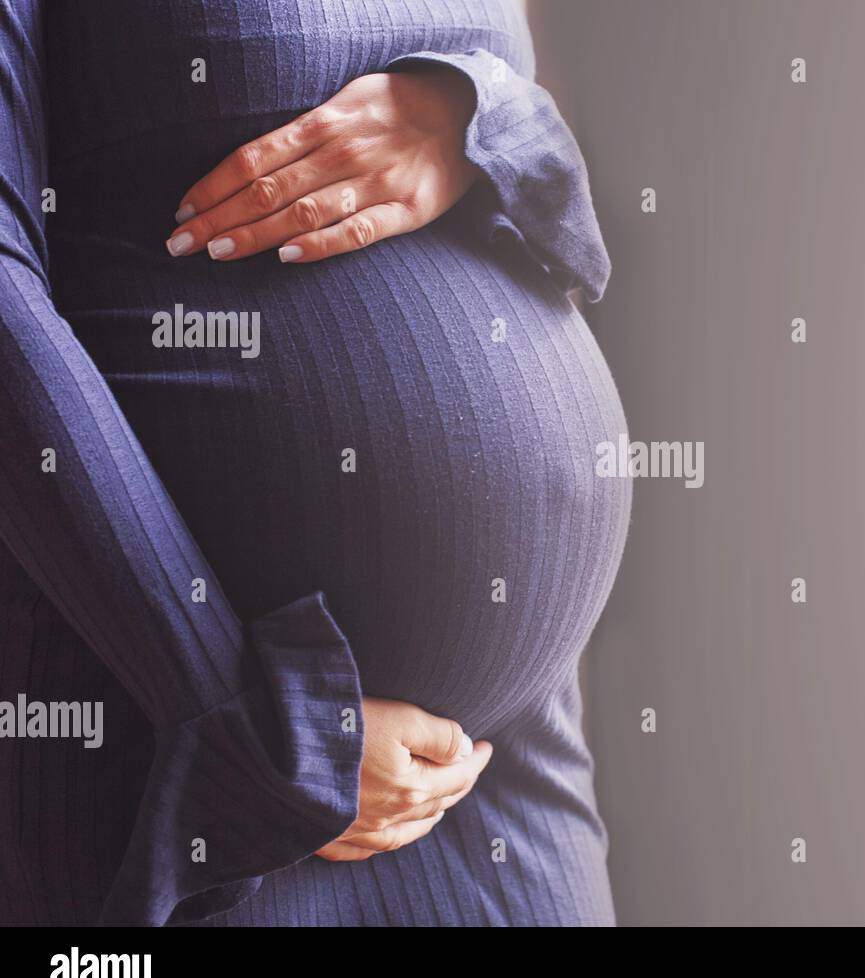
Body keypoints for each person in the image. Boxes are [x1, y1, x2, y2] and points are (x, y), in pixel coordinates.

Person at [0, 0, 630, 927]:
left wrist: (471, 114)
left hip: (498, 755)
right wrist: (246, 727)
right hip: (199, 750)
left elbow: (549, 184)